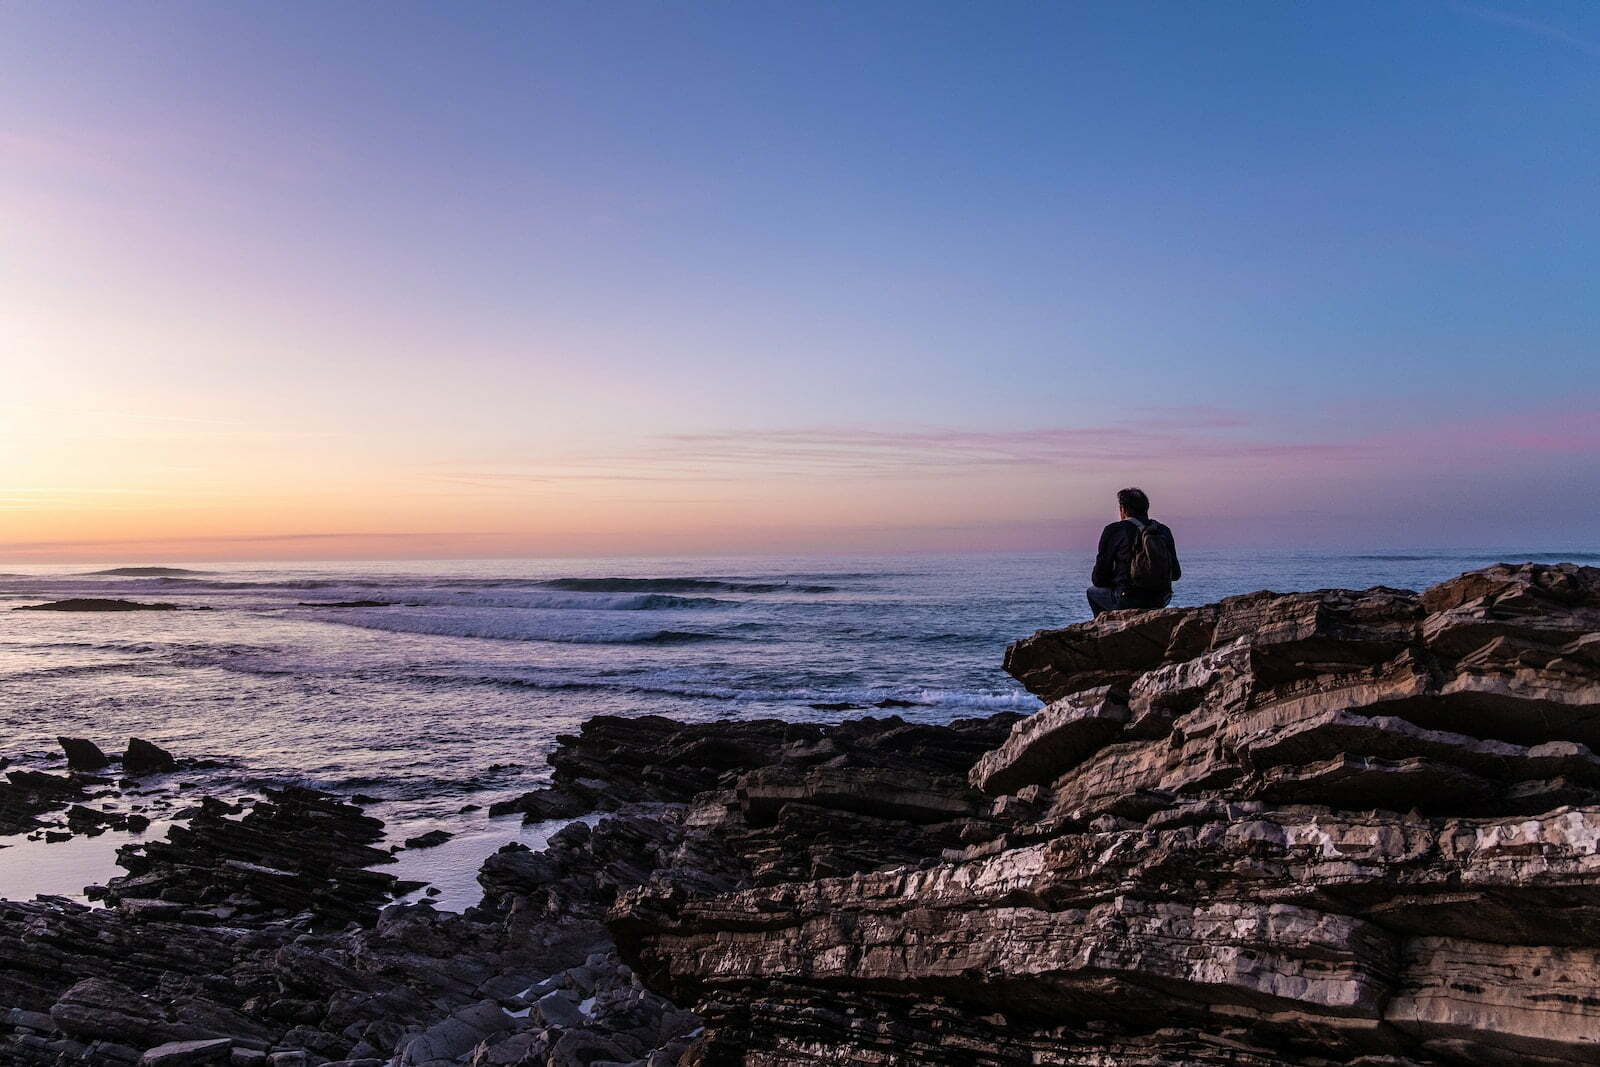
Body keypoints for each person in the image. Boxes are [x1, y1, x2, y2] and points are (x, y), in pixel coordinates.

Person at [1086, 487, 1181, 617]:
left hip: (1127, 598)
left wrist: (1119, 580)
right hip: (1161, 599)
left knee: (1092, 592)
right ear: (1146, 508)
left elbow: (1098, 579)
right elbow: (1175, 574)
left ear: (1123, 509)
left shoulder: (1114, 530)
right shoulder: (1163, 530)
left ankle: (1106, 630)